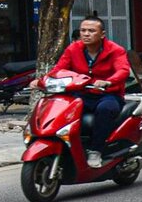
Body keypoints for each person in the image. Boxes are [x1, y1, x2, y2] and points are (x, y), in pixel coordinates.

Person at [47, 14, 131, 167]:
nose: (86, 34)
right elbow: (59, 69)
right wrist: (43, 80)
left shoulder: (116, 50)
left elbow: (123, 70)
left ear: (102, 34)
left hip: (108, 94)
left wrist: (108, 81)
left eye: (91, 31)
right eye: (83, 30)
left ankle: (95, 150)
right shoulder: (73, 49)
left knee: (105, 109)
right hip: (81, 93)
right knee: (61, 108)